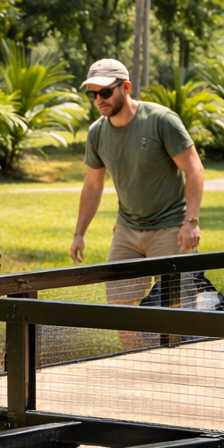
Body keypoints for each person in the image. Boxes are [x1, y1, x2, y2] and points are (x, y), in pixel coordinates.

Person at [70, 59, 204, 290]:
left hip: (170, 228)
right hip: (126, 231)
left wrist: (191, 223)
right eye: (93, 95)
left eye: (105, 92)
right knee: (122, 317)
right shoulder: (97, 133)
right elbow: (93, 185)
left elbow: (194, 168)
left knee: (177, 316)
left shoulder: (161, 120)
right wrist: (79, 233)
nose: (99, 100)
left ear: (126, 87)